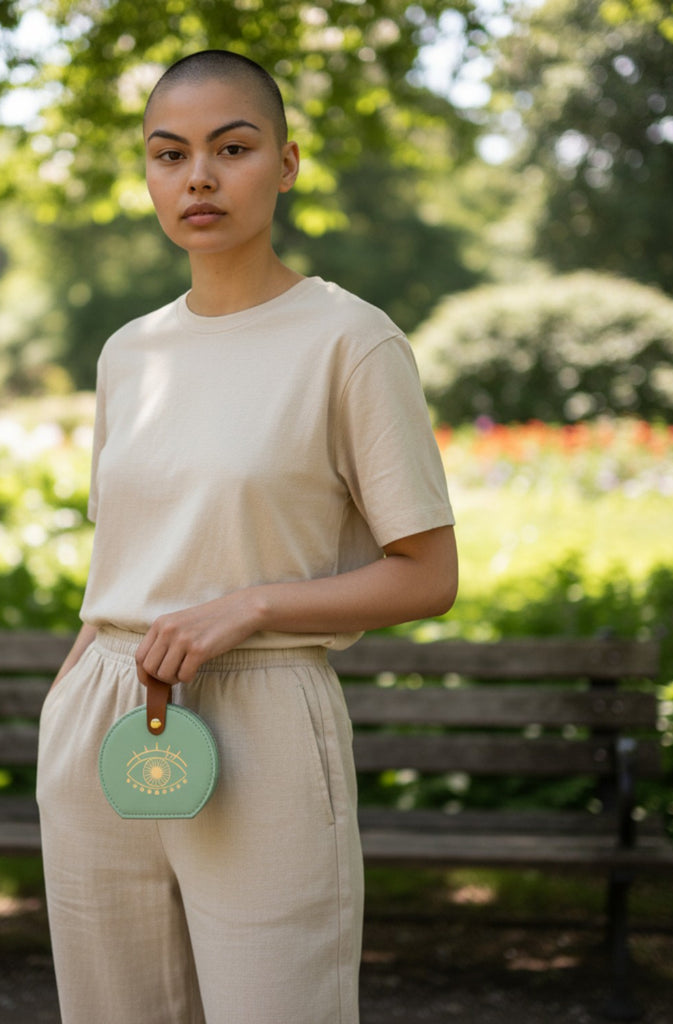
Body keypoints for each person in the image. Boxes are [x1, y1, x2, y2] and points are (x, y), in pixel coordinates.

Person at [36, 49, 458, 1024]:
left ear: (287, 162)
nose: (198, 177)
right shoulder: (128, 354)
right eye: (167, 153)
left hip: (263, 716)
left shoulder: (350, 341)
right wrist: (69, 701)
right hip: (107, 712)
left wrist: (251, 604)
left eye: (231, 147)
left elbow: (427, 575)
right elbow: (124, 554)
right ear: (145, 174)